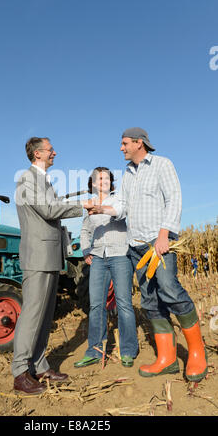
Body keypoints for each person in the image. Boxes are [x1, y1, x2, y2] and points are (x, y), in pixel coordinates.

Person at [88, 128, 207, 382]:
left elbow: (174, 198)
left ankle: (197, 352)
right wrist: (101, 207)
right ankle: (167, 359)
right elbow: (122, 205)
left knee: (170, 290)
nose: (121, 148)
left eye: (124, 143)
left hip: (159, 241)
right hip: (137, 246)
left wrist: (164, 234)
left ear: (138, 143)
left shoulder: (162, 164)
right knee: (150, 300)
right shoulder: (128, 174)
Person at [12, 137, 93, 395]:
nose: (55, 153)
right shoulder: (27, 179)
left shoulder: (42, 180)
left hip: (47, 255)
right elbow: (48, 210)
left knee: (45, 316)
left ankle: (38, 365)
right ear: (38, 154)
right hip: (37, 256)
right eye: (50, 150)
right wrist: (82, 205)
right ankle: (20, 372)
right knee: (32, 314)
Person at [74, 167, 138, 368]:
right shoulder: (89, 204)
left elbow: (119, 213)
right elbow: (85, 230)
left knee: (124, 303)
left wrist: (101, 209)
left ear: (111, 182)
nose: (102, 181)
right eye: (98, 179)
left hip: (120, 255)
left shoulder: (118, 198)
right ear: (92, 183)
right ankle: (94, 350)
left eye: (106, 178)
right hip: (98, 258)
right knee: (96, 305)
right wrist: (86, 252)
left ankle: (127, 350)